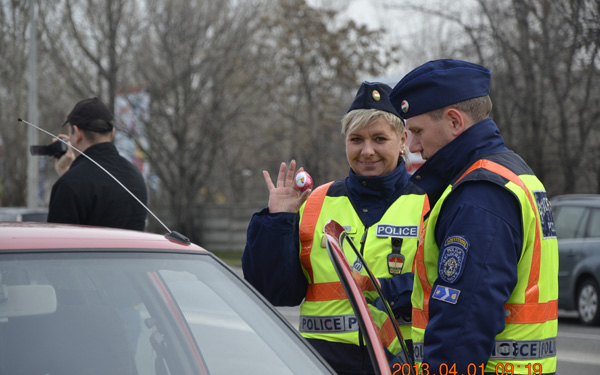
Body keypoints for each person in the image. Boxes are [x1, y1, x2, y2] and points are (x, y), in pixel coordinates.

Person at [242, 81, 429, 375]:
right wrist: (278, 221)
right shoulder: (315, 203)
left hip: (399, 363)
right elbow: (274, 292)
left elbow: (445, 286)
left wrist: (387, 291)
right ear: (345, 142)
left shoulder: (429, 203)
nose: (367, 151)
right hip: (321, 364)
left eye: (379, 139)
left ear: (403, 140)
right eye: (356, 140)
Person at [389, 59, 558, 374]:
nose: (411, 147)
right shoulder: (513, 172)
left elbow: (464, 321)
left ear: (454, 121)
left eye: (416, 131)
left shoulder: (480, 194)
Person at [47, 97, 148, 231]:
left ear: (76, 133)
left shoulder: (70, 184)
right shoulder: (136, 176)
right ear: (112, 133)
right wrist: (69, 173)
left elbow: (56, 246)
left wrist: (68, 177)